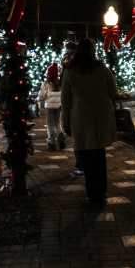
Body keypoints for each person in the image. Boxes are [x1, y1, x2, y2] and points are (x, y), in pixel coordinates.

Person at [62, 38, 117, 203]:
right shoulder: (102, 69)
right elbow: (113, 91)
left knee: (85, 155)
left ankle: (91, 191)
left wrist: (65, 121)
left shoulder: (70, 71)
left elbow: (66, 99)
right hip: (100, 115)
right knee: (99, 154)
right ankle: (101, 190)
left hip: (80, 116)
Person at [61, 41, 84, 176]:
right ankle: (86, 166)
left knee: (80, 140)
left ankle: (81, 166)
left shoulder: (69, 68)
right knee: (92, 143)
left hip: (77, 112)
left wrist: (66, 119)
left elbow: (66, 96)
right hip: (90, 113)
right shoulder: (99, 68)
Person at [38, 63, 66, 151]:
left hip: (49, 107)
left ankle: (52, 142)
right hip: (58, 106)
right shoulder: (60, 83)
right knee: (57, 123)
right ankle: (60, 136)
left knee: (50, 125)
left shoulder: (46, 84)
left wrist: (38, 99)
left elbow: (42, 95)